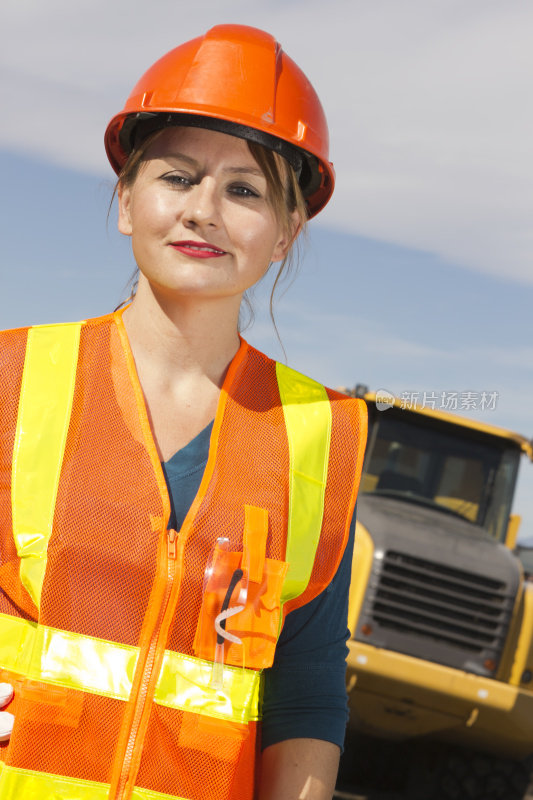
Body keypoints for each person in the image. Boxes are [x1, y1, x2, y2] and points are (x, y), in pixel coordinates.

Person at [0, 24, 367, 800]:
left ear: (285, 234)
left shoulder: (317, 433)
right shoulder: (12, 376)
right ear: (127, 200)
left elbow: (303, 694)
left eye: (244, 190)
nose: (203, 210)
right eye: (177, 177)